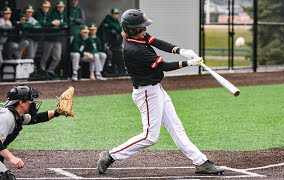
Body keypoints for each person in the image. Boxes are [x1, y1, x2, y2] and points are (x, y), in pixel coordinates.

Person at [96, 9, 225, 175]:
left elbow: (157, 42)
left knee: (177, 128)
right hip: (147, 94)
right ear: (133, 30)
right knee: (150, 136)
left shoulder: (138, 37)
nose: (146, 30)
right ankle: (110, 155)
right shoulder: (134, 50)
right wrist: (188, 63)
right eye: (142, 28)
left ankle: (201, 162)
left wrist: (180, 51)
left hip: (156, 90)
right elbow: (164, 66)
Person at [0, 85, 64, 178]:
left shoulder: (17, 116)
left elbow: (36, 118)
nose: (33, 103)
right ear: (22, 102)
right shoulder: (6, 117)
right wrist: (11, 158)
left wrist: (57, 112)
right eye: (31, 100)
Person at [34, 0, 62, 79]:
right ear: (42, 7)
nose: (46, 9)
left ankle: (50, 71)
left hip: (56, 38)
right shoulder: (39, 12)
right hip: (47, 38)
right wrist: (51, 23)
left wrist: (54, 23)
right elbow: (42, 23)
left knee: (57, 57)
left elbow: (60, 22)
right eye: (45, 7)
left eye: (47, 7)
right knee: (45, 56)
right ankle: (42, 72)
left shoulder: (51, 13)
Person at [98, 8, 125, 76]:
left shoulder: (116, 21)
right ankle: (104, 71)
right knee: (107, 54)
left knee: (118, 53)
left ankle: (117, 70)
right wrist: (116, 29)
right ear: (112, 14)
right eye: (114, 14)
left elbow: (119, 29)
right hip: (103, 40)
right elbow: (115, 27)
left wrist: (117, 29)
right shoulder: (107, 19)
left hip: (112, 42)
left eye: (117, 14)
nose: (116, 15)